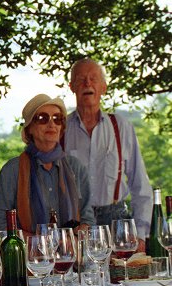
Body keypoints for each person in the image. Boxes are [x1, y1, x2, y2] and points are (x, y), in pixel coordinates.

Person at [65, 58, 151, 249]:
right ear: (71, 87)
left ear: (103, 87)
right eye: (81, 79)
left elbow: (140, 185)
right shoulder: (61, 129)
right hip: (76, 224)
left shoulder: (121, 127)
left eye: (93, 79)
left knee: (123, 276)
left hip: (117, 222)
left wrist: (142, 234)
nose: (87, 84)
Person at [0, 94, 95, 236]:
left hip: (71, 255)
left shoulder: (76, 167)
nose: (51, 124)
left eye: (57, 119)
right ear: (29, 129)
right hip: (29, 256)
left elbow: (88, 219)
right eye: (42, 118)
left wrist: (78, 233)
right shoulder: (12, 170)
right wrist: (38, 243)